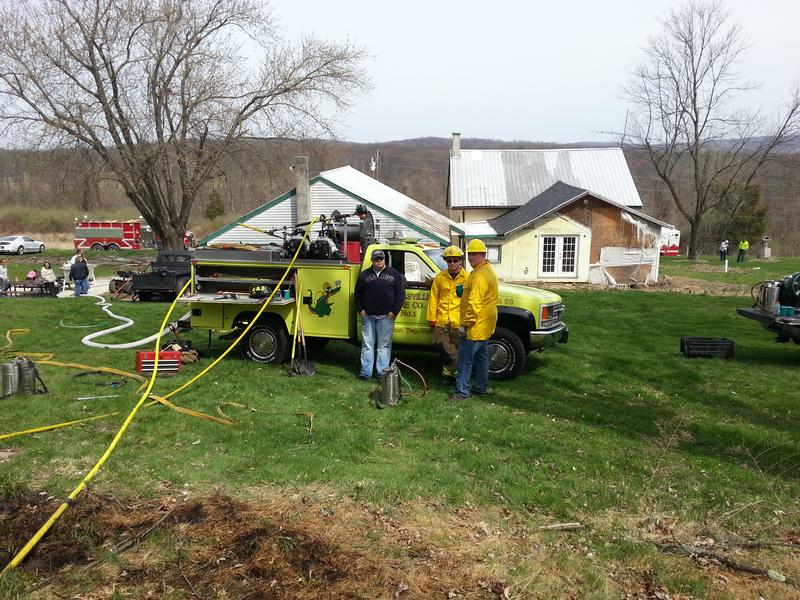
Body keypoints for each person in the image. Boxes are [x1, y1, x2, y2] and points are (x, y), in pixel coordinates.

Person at [449, 239, 498, 402]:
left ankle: (461, 392)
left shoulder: (480, 275)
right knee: (481, 358)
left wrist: (465, 324)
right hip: (484, 324)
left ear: (483, 255)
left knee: (465, 360)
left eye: (475, 255)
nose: (471, 258)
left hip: (475, 325)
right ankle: (481, 387)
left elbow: (475, 303)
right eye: (470, 254)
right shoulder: (484, 270)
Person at [354, 248, 406, 380]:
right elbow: (358, 294)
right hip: (368, 316)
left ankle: (382, 373)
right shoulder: (364, 275)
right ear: (371, 261)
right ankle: (365, 373)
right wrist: (361, 310)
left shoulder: (394, 274)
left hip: (386, 317)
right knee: (367, 345)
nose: (379, 262)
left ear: (384, 259)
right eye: (376, 259)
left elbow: (400, 295)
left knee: (384, 346)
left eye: (381, 259)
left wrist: (394, 312)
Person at [426, 245, 468, 380]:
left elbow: (470, 301)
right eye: (449, 260)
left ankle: (448, 374)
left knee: (456, 349)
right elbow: (433, 299)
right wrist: (431, 318)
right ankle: (460, 370)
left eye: (455, 260)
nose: (452, 263)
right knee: (442, 346)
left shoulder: (468, 278)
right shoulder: (440, 277)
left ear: (460, 260)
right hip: (442, 320)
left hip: (458, 321)